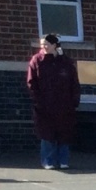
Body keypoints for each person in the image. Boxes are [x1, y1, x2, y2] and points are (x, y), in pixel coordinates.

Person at [25, 33, 80, 170]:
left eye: (46, 44)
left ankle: (63, 160)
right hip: (45, 104)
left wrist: (74, 100)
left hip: (64, 104)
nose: (43, 46)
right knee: (47, 133)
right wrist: (37, 99)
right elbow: (31, 82)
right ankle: (48, 161)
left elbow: (74, 82)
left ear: (54, 45)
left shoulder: (65, 62)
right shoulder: (37, 60)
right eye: (42, 44)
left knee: (64, 132)